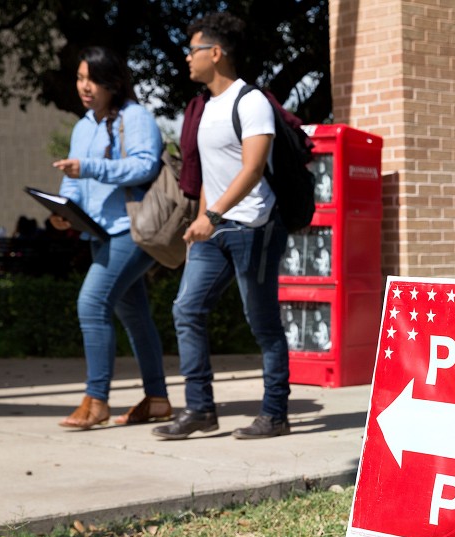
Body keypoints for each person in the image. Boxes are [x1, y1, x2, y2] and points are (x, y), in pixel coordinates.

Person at [153, 12, 290, 440]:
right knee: (186, 310)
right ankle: (200, 409)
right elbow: (213, 172)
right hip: (215, 229)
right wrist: (203, 219)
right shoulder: (204, 109)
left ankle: (275, 413)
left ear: (216, 53)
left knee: (262, 323)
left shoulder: (251, 102)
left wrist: (211, 217)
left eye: (192, 50)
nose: (186, 58)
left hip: (254, 226)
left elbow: (251, 170)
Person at [52, 46, 172, 429]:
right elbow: (74, 178)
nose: (84, 87)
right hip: (98, 232)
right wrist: (62, 209)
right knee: (135, 315)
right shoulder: (83, 124)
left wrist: (88, 167)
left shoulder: (136, 118)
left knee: (92, 303)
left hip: (132, 230)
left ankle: (96, 399)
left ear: (113, 83)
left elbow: (144, 165)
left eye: (92, 80)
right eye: (80, 78)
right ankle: (156, 399)